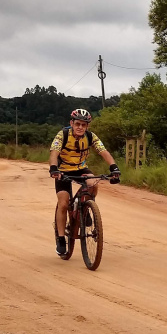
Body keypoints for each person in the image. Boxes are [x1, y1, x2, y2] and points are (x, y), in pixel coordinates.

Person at [49, 108, 120, 255]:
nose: (80, 127)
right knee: (63, 203)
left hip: (80, 168)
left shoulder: (90, 136)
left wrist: (114, 168)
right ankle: (61, 239)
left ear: (87, 126)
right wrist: (54, 169)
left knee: (93, 183)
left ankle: (86, 208)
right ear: (72, 123)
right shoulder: (63, 135)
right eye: (77, 124)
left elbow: (103, 151)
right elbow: (54, 152)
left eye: (83, 125)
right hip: (63, 171)